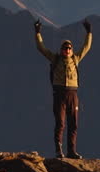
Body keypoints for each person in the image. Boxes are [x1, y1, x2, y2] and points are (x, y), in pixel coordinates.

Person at [34, 18, 92, 159]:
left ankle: (71, 151)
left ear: (72, 50)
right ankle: (59, 151)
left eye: (69, 48)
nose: (67, 50)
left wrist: (89, 32)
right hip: (59, 94)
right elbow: (42, 48)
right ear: (61, 50)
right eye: (64, 48)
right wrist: (37, 33)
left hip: (73, 94)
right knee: (60, 123)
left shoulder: (76, 59)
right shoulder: (55, 59)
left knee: (74, 124)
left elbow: (86, 47)